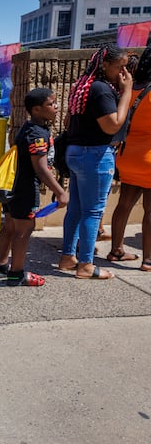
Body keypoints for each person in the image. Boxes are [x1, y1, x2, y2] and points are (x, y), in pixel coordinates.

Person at [59, 44, 132, 279]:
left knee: (77, 209)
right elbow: (113, 124)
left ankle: (68, 257)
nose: (124, 73)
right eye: (120, 67)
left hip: (77, 152)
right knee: (92, 212)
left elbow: (68, 122)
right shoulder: (100, 89)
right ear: (104, 65)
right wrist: (127, 92)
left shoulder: (84, 86)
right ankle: (86, 265)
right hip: (96, 155)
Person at [0, 88, 68, 286]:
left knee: (10, 226)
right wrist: (60, 192)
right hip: (24, 188)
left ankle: (0, 267)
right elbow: (41, 169)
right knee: (24, 230)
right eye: (51, 104)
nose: (56, 107)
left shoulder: (30, 127)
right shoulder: (37, 133)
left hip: (13, 186)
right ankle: (16, 274)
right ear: (36, 110)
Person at [109, 46, 151, 271]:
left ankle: (116, 250)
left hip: (127, 155)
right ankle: (148, 260)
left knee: (123, 204)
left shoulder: (132, 88)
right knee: (150, 211)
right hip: (149, 158)